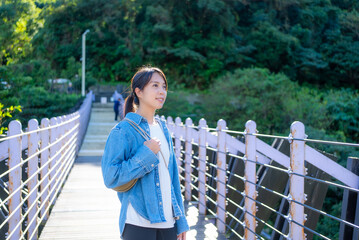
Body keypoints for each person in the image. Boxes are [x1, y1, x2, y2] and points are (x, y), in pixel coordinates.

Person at [101, 67, 189, 240]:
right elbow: (110, 177)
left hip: (169, 222)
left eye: (164, 86)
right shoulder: (123, 131)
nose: (162, 91)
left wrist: (181, 221)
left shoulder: (163, 128)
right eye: (155, 86)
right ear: (139, 92)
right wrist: (145, 155)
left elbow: (172, 179)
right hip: (138, 222)